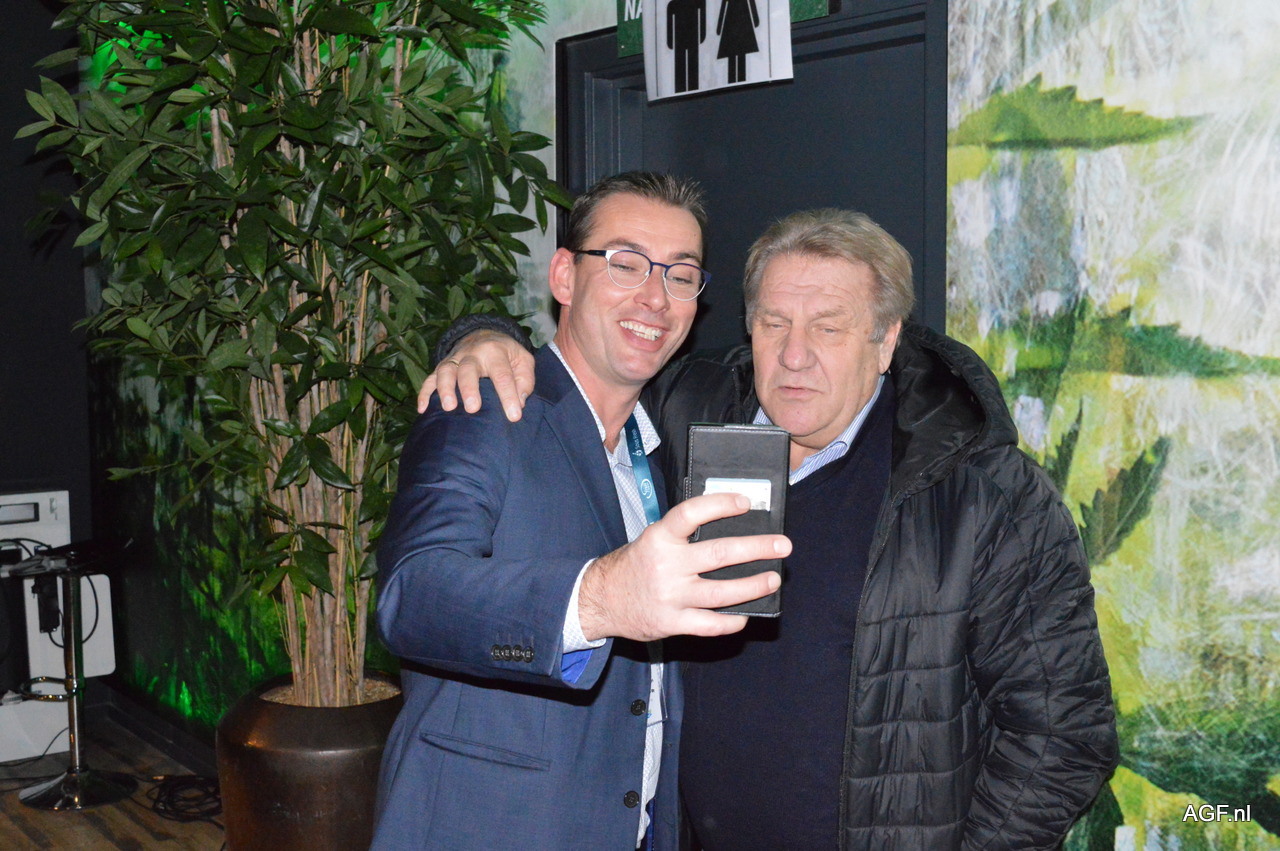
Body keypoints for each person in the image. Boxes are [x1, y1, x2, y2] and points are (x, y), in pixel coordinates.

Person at [420, 208, 1120, 849]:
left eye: (829, 327)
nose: (795, 354)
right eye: (775, 323)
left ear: (885, 341)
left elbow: (1065, 733)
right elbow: (585, 367)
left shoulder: (983, 494)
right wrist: (483, 337)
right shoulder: (687, 414)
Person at [372, 172, 788, 850]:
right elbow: (409, 598)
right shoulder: (488, 403)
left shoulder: (658, 447)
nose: (655, 297)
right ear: (564, 276)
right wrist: (596, 600)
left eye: (681, 276)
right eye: (626, 263)